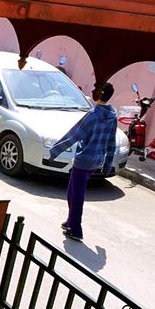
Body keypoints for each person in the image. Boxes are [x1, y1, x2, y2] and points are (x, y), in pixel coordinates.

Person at [49, 82, 117, 242]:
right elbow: (111, 143)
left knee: (76, 194)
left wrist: (54, 151)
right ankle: (70, 221)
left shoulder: (93, 115)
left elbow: (73, 136)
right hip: (96, 161)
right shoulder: (112, 116)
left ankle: (76, 229)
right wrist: (107, 165)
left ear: (99, 94)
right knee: (73, 191)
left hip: (84, 160)